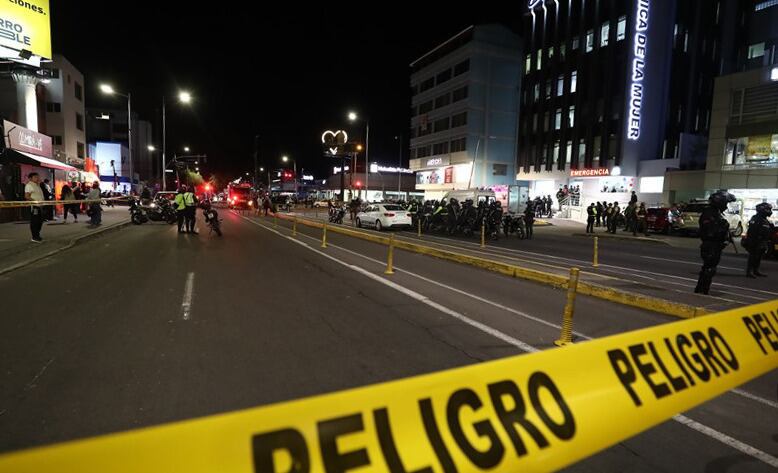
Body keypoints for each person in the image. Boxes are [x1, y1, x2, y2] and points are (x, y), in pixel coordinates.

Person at [694, 191, 736, 295]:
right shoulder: (709, 213)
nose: (726, 206)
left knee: (709, 268)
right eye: (725, 203)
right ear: (720, 202)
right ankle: (702, 291)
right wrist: (723, 228)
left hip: (715, 245)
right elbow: (710, 232)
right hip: (710, 245)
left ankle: (702, 290)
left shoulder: (717, 213)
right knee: (708, 269)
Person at [743, 203, 774, 278]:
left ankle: (756, 270)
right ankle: (749, 272)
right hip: (755, 241)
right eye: (768, 209)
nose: (769, 211)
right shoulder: (756, 218)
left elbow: (767, 230)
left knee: (759, 256)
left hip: (762, 241)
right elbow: (753, 231)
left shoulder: (764, 220)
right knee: (753, 256)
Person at [24, 172, 45, 242]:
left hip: (40, 206)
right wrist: (35, 201)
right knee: (35, 221)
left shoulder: (37, 185)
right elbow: (27, 196)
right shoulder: (29, 185)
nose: (37, 178)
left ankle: (37, 235)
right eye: (35, 177)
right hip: (34, 206)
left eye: (38, 176)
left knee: (40, 221)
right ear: (30, 178)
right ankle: (34, 237)